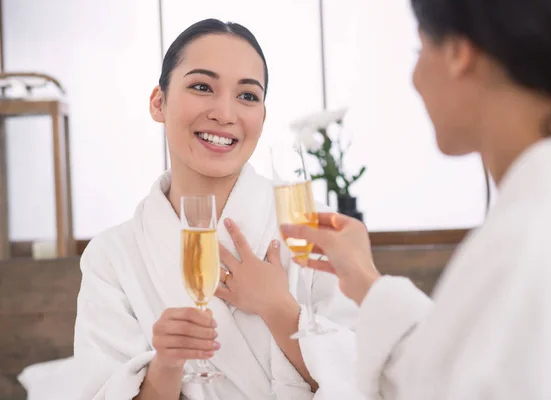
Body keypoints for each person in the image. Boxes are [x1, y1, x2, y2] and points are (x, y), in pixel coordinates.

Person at [282, 0, 551, 398]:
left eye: (419, 50)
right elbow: (458, 366)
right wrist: (364, 279)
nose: (414, 77)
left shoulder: (532, 245)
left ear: (457, 53)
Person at [71, 19, 359, 400]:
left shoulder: (314, 228)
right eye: (202, 87)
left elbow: (370, 381)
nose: (225, 113)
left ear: (262, 116)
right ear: (159, 102)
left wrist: (277, 308)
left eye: (247, 96)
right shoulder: (111, 258)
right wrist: (166, 365)